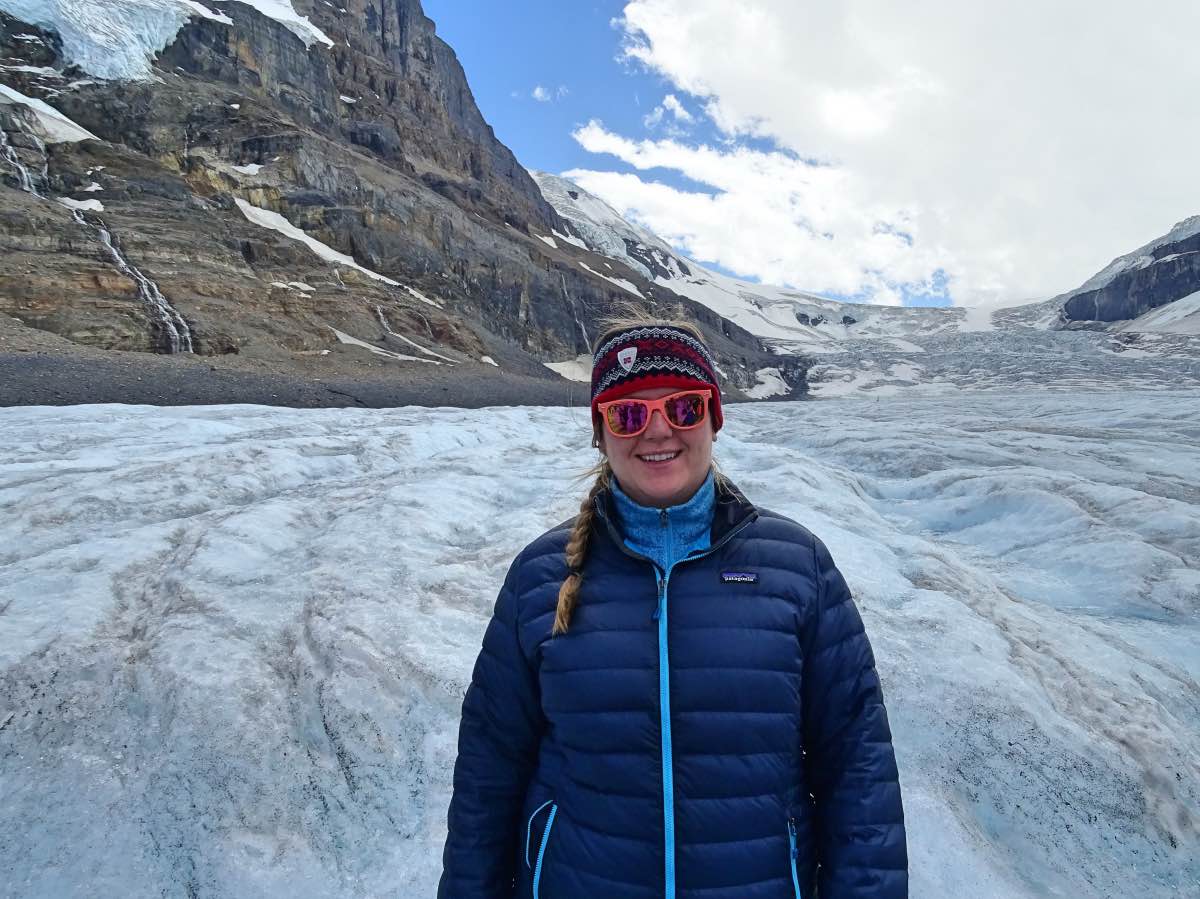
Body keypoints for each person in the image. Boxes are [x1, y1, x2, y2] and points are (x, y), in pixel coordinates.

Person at [438, 316, 907, 898]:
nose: (657, 431)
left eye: (683, 408)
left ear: (714, 416)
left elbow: (857, 766)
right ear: (601, 432)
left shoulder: (797, 566)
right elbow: (489, 768)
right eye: (629, 413)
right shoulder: (541, 576)